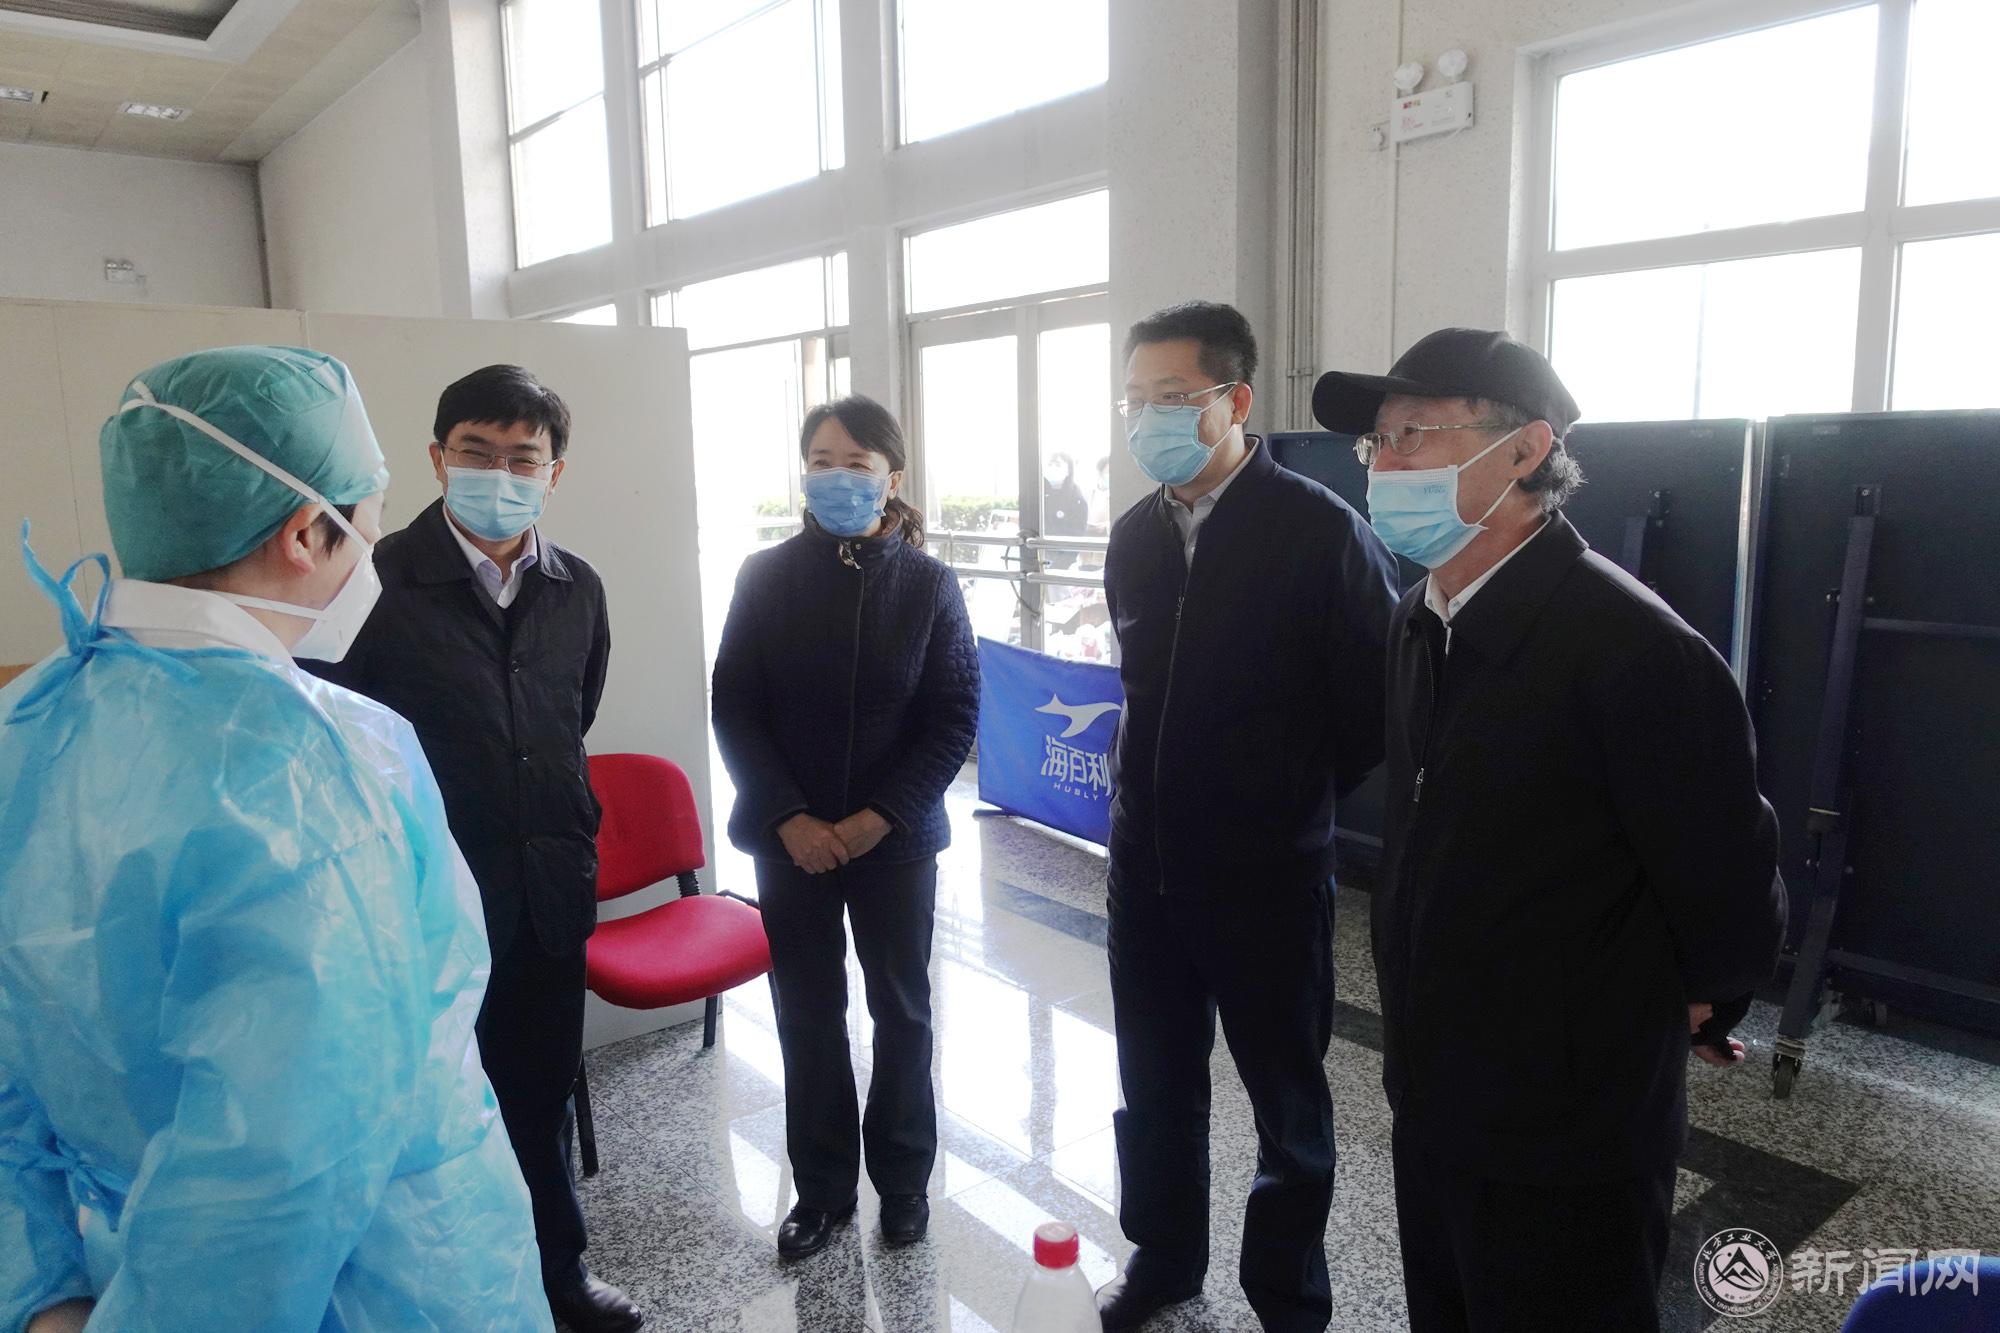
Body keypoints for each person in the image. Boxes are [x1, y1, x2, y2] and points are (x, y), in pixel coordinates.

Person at [0, 346, 550, 1332]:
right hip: (370, 1283)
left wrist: (42, 1290)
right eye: (367, 522)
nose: (372, 552)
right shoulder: (319, 773)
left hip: (103, 1267)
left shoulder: (28, 725)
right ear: (305, 532)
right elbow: (284, 1165)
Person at [1312, 328, 1788, 1332]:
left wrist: (1697, 1003)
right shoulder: (1417, 619)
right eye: (1376, 443)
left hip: (1568, 1127)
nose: (1383, 465)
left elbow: (1727, 878)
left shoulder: (1633, 647)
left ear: (1525, 450)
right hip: (1433, 1089)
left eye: (1413, 435)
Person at [305, 365, 633, 1332]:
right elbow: (325, 742)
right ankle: (457, 1302)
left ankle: (557, 1275)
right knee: (432, 1113)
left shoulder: (577, 587)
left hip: (547, 889)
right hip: (419, 907)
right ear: (437, 458)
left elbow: (570, 718)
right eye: (477, 452)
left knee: (538, 1093)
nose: (501, 474)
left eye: (523, 458)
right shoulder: (371, 583)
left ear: (554, 472)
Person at [1097, 302, 1400, 1332]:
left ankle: (1287, 1295)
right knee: (1153, 1083)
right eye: (1134, 399)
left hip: (1268, 876)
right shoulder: (1134, 538)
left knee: (1287, 1104)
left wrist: (1279, 794)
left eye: (1171, 397)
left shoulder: (1320, 532)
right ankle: (1164, 1258)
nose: (1147, 418)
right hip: (1145, 869)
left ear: (1235, 400)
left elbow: (1375, 710)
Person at [711, 395, 978, 1260]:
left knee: (902, 1009)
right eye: (821, 460)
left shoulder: (929, 585)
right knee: (808, 1010)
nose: (837, 477)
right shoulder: (764, 576)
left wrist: (878, 817)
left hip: (894, 841)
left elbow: (953, 716)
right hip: (790, 841)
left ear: (892, 478)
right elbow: (735, 705)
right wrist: (788, 815)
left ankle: (904, 1183)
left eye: (856, 463)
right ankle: (822, 1188)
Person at [1042, 451, 1089, 569]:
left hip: (1062, 561)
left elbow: (1076, 536)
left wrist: (1060, 565)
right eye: (1050, 464)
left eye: (1058, 464)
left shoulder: (1076, 498)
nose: (1053, 468)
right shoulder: (1039, 493)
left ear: (1068, 470)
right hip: (1039, 556)